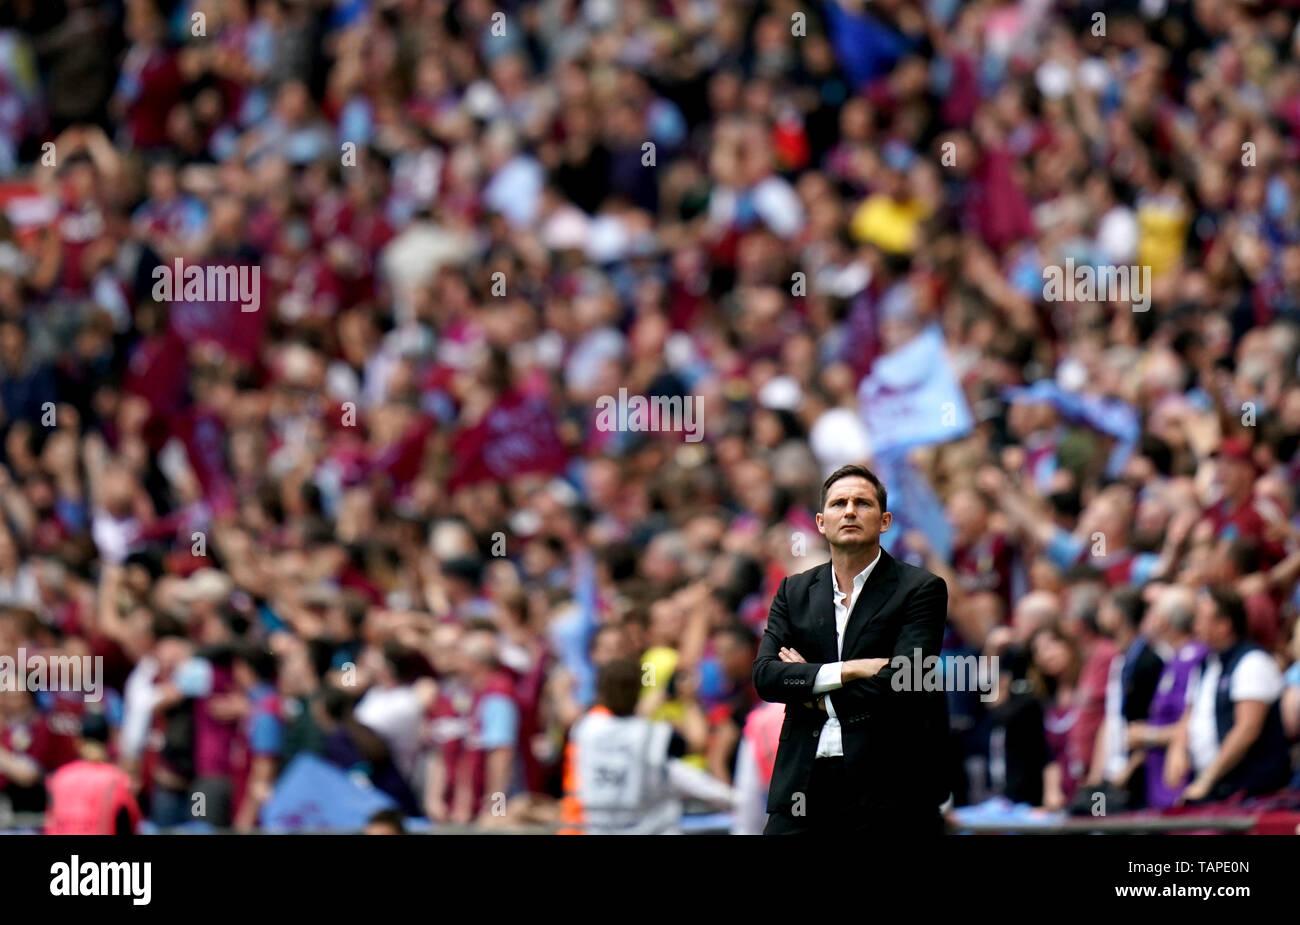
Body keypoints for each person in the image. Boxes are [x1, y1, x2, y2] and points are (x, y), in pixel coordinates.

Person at [753, 464, 950, 834]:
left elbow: (906, 680)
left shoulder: (921, 589)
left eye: (862, 503)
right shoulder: (793, 591)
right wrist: (849, 670)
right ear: (821, 522)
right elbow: (765, 677)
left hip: (886, 788)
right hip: (802, 784)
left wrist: (809, 688)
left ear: (885, 520)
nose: (849, 511)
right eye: (839, 503)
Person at [559, 658, 734, 834]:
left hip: (600, 828)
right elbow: (696, 744)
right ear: (638, 690)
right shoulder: (653, 735)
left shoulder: (585, 729)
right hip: (648, 827)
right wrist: (687, 700)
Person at [1166, 586, 1291, 803]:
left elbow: (1247, 730)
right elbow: (1189, 714)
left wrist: (1207, 778)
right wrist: (1177, 749)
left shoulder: (1252, 662)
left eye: (1201, 618)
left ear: (1224, 625)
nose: (1194, 625)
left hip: (1250, 792)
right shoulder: (1205, 664)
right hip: (1217, 789)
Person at [45, 713, 141, 835]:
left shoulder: (58, 777)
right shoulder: (116, 779)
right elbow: (130, 824)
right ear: (109, 741)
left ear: (78, 741)